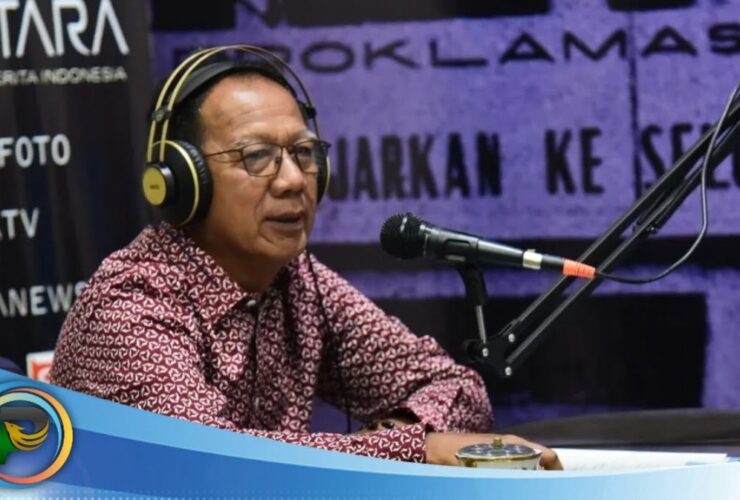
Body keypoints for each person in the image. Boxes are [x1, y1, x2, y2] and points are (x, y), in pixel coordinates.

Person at [50, 48, 561, 469]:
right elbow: (209, 465)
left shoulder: (298, 280)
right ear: (182, 181)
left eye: (303, 153)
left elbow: (457, 389)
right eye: (256, 157)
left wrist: (402, 433)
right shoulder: (130, 304)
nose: (294, 180)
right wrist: (413, 450)